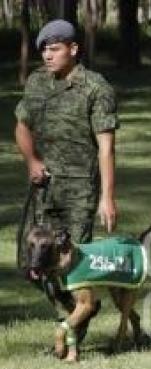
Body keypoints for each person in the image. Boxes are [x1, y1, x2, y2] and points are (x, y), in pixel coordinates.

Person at [15, 19, 118, 313]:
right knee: (32, 262)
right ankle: (76, 308)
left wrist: (107, 197)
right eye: (44, 49)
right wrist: (32, 161)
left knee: (73, 264)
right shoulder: (36, 82)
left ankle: (73, 331)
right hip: (44, 188)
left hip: (80, 191)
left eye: (55, 49)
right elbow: (22, 126)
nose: (48, 55)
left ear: (73, 49)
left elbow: (107, 147)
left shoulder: (96, 88)